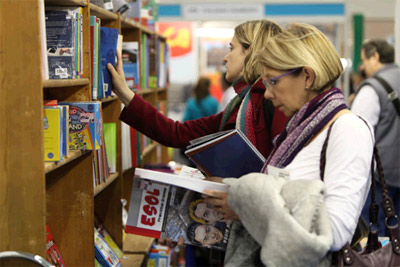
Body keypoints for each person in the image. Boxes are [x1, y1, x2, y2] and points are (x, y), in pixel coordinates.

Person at [107, 19, 288, 265]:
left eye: (231, 48)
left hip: (256, 237)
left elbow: (281, 174)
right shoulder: (237, 106)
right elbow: (176, 133)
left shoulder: (271, 104)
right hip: (231, 226)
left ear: (251, 52)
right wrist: (125, 94)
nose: (225, 57)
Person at [204, 23, 374, 266]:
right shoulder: (298, 129)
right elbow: (282, 192)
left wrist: (246, 205)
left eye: (273, 82)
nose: (267, 94)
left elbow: (334, 233)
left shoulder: (348, 130)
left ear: (307, 76)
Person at [351, 39, 400, 236]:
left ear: (376, 57)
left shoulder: (373, 88)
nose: (362, 67)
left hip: (382, 177)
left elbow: (357, 133)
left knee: (376, 235)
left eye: (364, 60)